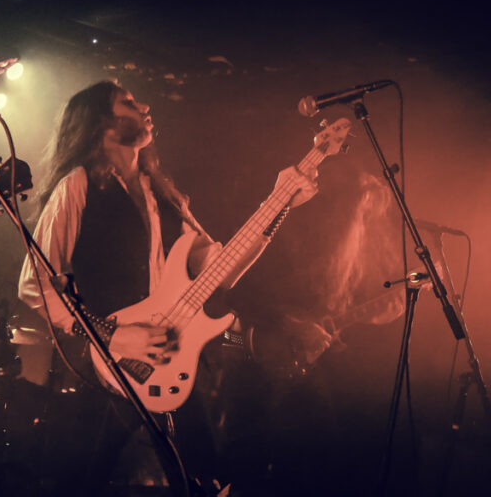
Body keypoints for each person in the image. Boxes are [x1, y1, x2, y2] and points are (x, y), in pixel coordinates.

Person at [17, 80, 325, 494]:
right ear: (100, 123)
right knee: (78, 483)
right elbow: (34, 282)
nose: (144, 106)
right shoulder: (77, 183)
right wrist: (111, 336)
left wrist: (280, 202)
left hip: (172, 359)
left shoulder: (162, 195)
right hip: (107, 367)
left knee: (208, 485)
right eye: (128, 102)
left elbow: (223, 270)